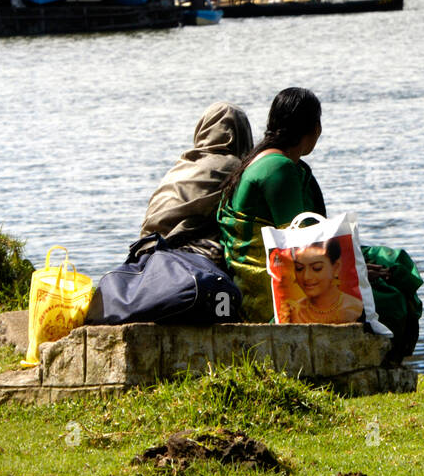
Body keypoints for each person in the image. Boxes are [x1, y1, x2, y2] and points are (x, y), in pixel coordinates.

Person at [218, 88, 327, 323]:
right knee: (392, 277)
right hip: (267, 293)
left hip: (248, 284)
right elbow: (300, 242)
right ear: (315, 128)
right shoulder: (280, 167)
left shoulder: (258, 159)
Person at [140, 102, 253, 266]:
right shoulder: (233, 167)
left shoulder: (183, 164)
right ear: (242, 133)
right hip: (179, 250)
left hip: (145, 246)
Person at [277, 238, 364, 324]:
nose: (306, 277)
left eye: (317, 268)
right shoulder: (293, 312)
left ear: (336, 268)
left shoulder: (355, 309)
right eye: (299, 268)